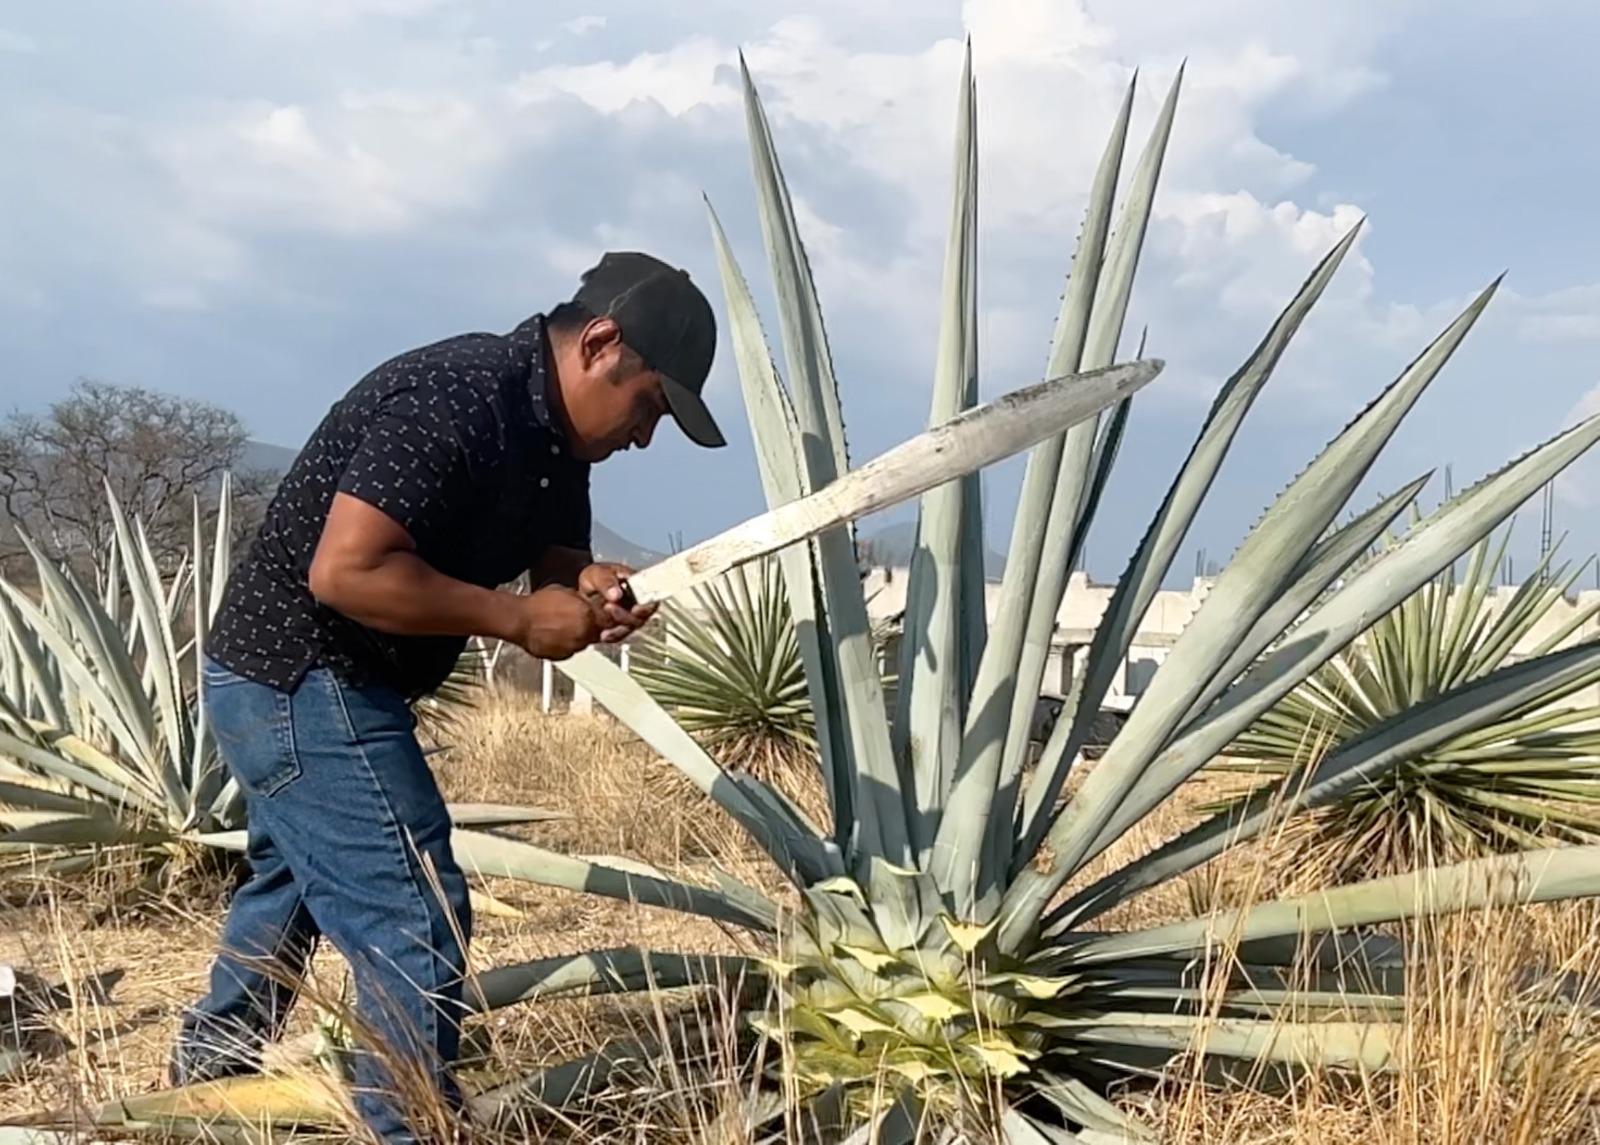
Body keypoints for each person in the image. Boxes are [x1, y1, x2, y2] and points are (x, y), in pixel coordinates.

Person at [168, 251, 725, 1142]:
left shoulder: (555, 440)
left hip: (320, 681)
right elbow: (346, 572)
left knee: (292, 885)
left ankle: (199, 1090)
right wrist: (518, 619)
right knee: (412, 908)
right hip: (300, 673)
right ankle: (409, 1124)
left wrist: (586, 585)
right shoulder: (455, 398)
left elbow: (555, 557)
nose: (645, 436)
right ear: (599, 343)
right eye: (651, 405)